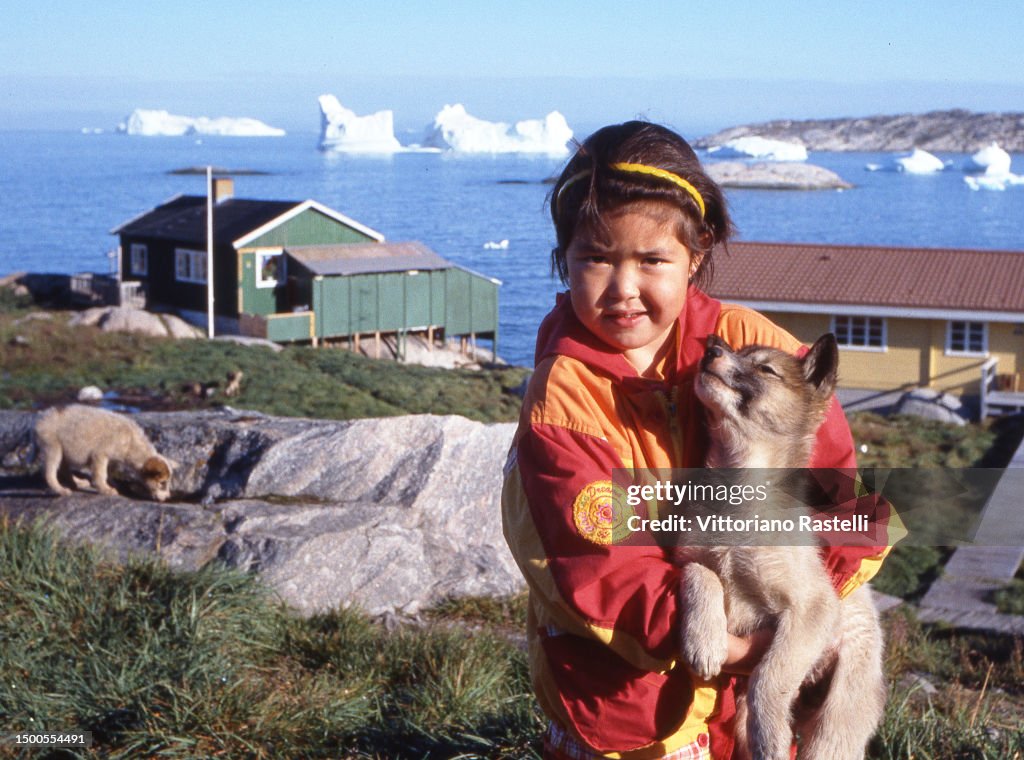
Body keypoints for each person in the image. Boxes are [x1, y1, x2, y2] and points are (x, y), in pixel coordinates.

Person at [501, 121, 891, 759]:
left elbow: (840, 497)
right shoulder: (565, 398)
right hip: (638, 707)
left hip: (757, 701)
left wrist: (816, 618)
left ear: (697, 253)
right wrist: (747, 650)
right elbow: (600, 568)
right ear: (562, 257)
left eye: (652, 260)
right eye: (595, 257)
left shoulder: (751, 342)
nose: (623, 288)